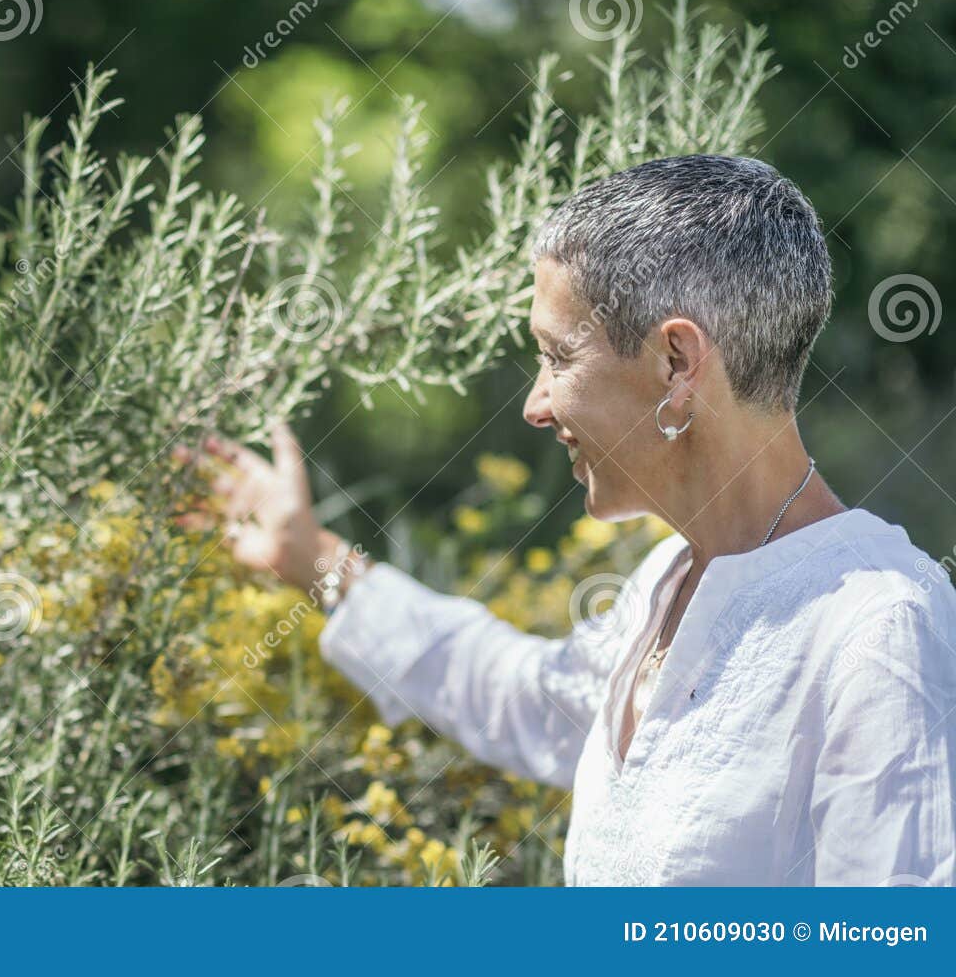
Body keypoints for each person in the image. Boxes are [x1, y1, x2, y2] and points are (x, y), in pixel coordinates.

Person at [179, 155, 956, 885]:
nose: (535, 404)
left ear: (677, 365)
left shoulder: (879, 628)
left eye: (557, 356)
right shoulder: (667, 580)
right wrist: (312, 557)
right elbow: (519, 695)